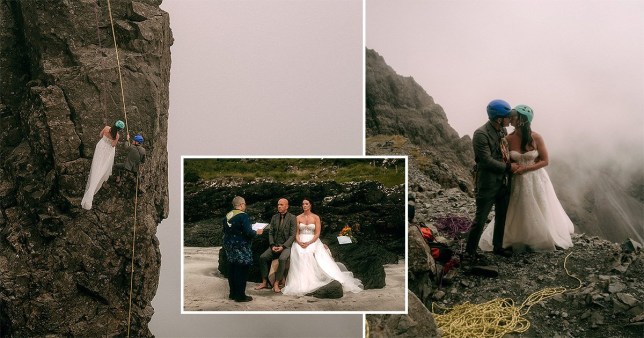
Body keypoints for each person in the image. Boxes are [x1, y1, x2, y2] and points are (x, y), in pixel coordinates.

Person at [479, 105, 574, 251]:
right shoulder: (507, 138)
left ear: (523, 119)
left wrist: (526, 168)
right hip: (516, 179)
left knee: (540, 205)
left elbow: (545, 160)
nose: (510, 118)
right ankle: (517, 237)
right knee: (517, 208)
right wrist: (512, 167)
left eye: (514, 116)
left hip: (536, 178)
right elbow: (504, 159)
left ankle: (541, 236)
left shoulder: (536, 137)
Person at [464, 100, 519, 261]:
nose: (510, 119)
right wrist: (509, 167)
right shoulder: (481, 134)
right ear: (498, 118)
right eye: (507, 117)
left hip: (503, 182)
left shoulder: (501, 130)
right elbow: (486, 160)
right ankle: (469, 252)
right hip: (487, 183)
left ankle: (498, 246)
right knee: (480, 219)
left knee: (502, 216)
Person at [281, 198, 363, 296]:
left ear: (310, 205)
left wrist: (309, 242)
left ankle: (319, 277)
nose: (304, 206)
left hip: (313, 240)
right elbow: (296, 233)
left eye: (306, 204)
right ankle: (304, 280)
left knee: (312, 252)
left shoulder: (316, 217)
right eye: (303, 204)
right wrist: (299, 241)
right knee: (300, 252)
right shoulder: (298, 217)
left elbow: (317, 233)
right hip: (300, 240)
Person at [223, 196, 263, 302]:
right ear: (241, 205)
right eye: (244, 204)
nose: (245, 206)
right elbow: (248, 233)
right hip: (240, 246)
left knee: (232, 268)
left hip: (228, 245)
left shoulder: (228, 215)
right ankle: (240, 295)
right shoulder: (243, 216)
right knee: (242, 269)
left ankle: (232, 294)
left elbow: (225, 230)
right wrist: (257, 232)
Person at [81, 120, 125, 210]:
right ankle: (91, 191)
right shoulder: (117, 136)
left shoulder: (106, 128)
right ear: (120, 129)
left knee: (96, 165)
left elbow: (100, 135)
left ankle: (91, 188)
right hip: (107, 151)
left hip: (100, 147)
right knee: (101, 169)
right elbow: (113, 145)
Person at [256, 198, 297, 293]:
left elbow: (293, 235)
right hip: (274, 245)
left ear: (287, 206)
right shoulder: (274, 217)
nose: (279, 206)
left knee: (282, 259)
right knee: (263, 257)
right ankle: (264, 281)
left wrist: (283, 247)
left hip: (286, 246)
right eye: (278, 204)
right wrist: (272, 245)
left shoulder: (292, 217)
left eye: (281, 205)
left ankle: (276, 283)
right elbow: (270, 233)